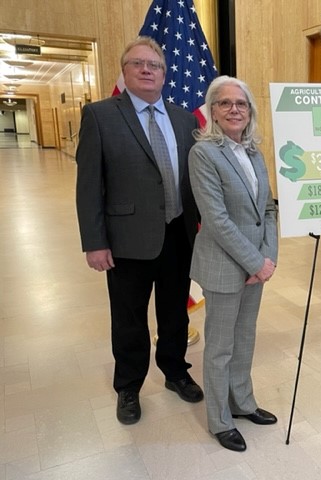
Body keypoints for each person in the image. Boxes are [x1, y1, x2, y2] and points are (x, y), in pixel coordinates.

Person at [75, 36, 203, 425]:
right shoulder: (100, 115)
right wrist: (94, 242)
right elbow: (88, 185)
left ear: (165, 74)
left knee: (174, 313)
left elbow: (195, 179)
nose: (147, 70)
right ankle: (128, 387)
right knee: (129, 317)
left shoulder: (183, 118)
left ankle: (176, 371)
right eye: (138, 63)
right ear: (125, 70)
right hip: (126, 241)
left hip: (179, 235)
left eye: (155, 65)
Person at [189, 75, 278, 452]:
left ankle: (242, 403)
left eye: (241, 103)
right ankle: (219, 420)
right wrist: (255, 261)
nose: (234, 109)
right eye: (224, 103)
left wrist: (268, 257)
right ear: (213, 111)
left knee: (244, 340)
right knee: (220, 347)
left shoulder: (255, 152)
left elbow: (268, 209)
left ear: (250, 111)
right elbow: (217, 219)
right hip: (225, 266)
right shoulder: (204, 154)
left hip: (257, 266)